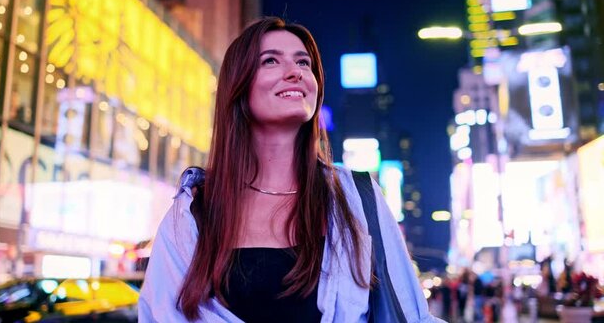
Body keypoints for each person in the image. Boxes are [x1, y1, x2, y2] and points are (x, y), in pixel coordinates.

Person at [139, 17, 441, 322]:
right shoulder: (191, 213)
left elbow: (412, 314)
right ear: (238, 86)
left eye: (304, 63)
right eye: (271, 61)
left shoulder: (357, 198)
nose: (295, 72)